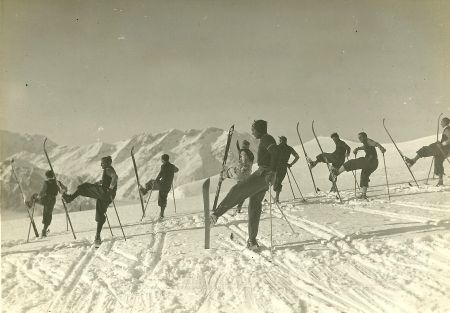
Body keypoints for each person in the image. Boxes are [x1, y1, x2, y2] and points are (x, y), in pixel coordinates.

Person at [210, 120, 278, 250]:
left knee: (238, 190)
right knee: (254, 208)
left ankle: (216, 214)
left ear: (258, 129)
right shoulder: (266, 139)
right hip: (265, 175)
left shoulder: (267, 139)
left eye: (253, 129)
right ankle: (252, 241)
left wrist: (272, 172)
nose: (252, 132)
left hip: (263, 174)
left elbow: (276, 152)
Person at [62, 156, 118, 245]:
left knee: (84, 187)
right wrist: (101, 183)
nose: (101, 165)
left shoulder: (108, 169)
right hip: (109, 196)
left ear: (107, 163)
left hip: (104, 192)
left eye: (102, 163)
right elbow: (110, 179)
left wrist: (110, 188)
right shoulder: (110, 169)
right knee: (100, 213)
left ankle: (69, 198)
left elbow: (115, 177)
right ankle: (97, 236)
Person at [331, 132, 386, 199]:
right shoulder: (366, 142)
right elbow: (365, 147)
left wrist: (381, 148)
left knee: (350, 163)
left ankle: (336, 173)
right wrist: (358, 149)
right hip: (374, 164)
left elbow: (376, 144)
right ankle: (363, 194)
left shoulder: (368, 140)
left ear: (365, 137)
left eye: (360, 137)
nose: (359, 139)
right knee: (364, 175)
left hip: (369, 161)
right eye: (358, 138)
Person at [404, 117, 450, 186]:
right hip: (445, 150)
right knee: (438, 161)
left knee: (425, 149)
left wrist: (442, 144)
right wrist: (441, 142)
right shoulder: (447, 129)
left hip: (443, 149)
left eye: (442, 122)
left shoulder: (447, 130)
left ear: (445, 122)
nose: (441, 123)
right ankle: (440, 181)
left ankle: (412, 161)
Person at [140, 154, 179, 220]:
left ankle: (144, 191)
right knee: (163, 198)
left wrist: (156, 180)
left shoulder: (163, 166)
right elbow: (177, 170)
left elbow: (160, 174)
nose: (161, 160)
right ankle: (161, 213)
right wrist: (172, 170)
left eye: (161, 159)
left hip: (162, 184)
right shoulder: (172, 166)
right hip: (168, 186)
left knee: (150, 183)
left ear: (163, 160)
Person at [223, 140, 254, 213]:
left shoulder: (243, 152)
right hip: (247, 175)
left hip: (241, 173)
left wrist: (244, 167)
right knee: (242, 191)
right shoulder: (250, 153)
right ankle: (239, 207)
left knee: (230, 171)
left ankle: (223, 176)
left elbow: (244, 160)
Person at [25, 170, 59, 238]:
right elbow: (63, 189)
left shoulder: (46, 183)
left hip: (46, 200)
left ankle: (30, 204)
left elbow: (42, 192)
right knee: (48, 215)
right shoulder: (57, 182)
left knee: (34, 196)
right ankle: (44, 231)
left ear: (47, 176)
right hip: (52, 201)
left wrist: (37, 197)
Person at [273, 136, 299, 202]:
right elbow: (297, 156)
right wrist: (291, 164)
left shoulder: (277, 147)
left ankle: (276, 198)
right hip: (284, 166)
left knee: (275, 181)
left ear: (281, 140)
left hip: (276, 166)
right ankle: (277, 197)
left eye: (279, 140)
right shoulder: (289, 148)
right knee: (279, 181)